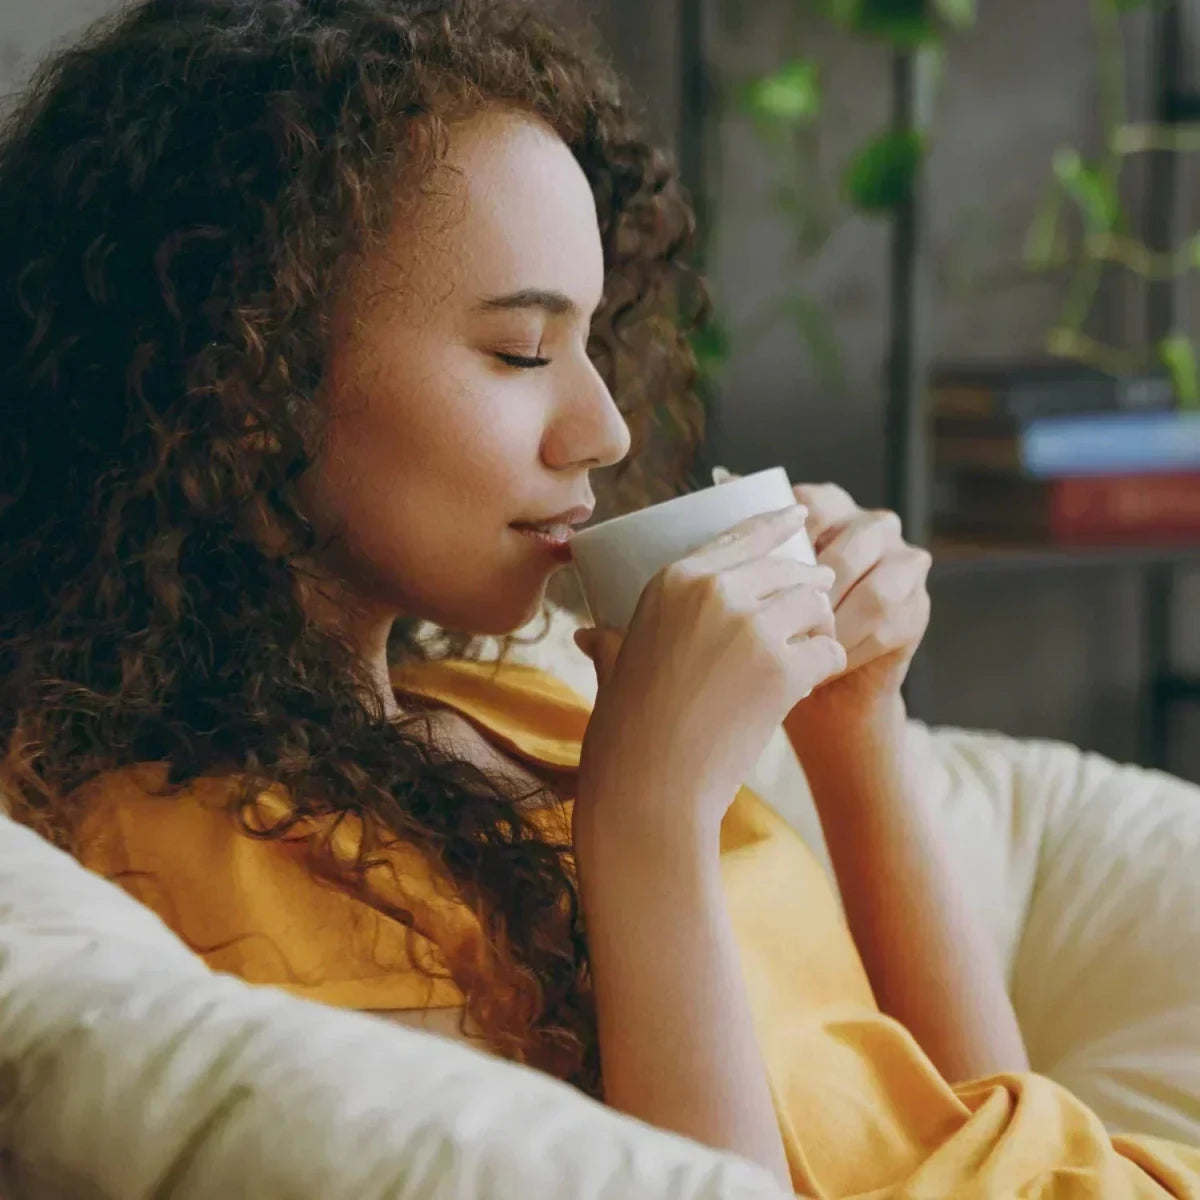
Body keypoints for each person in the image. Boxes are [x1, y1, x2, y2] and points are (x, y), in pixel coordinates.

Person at [0, 2, 1196, 1195]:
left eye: (592, 340)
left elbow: (988, 1133)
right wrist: (650, 818)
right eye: (523, 352)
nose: (607, 426)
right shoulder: (219, 854)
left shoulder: (519, 707)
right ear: (243, 379)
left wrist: (853, 725)